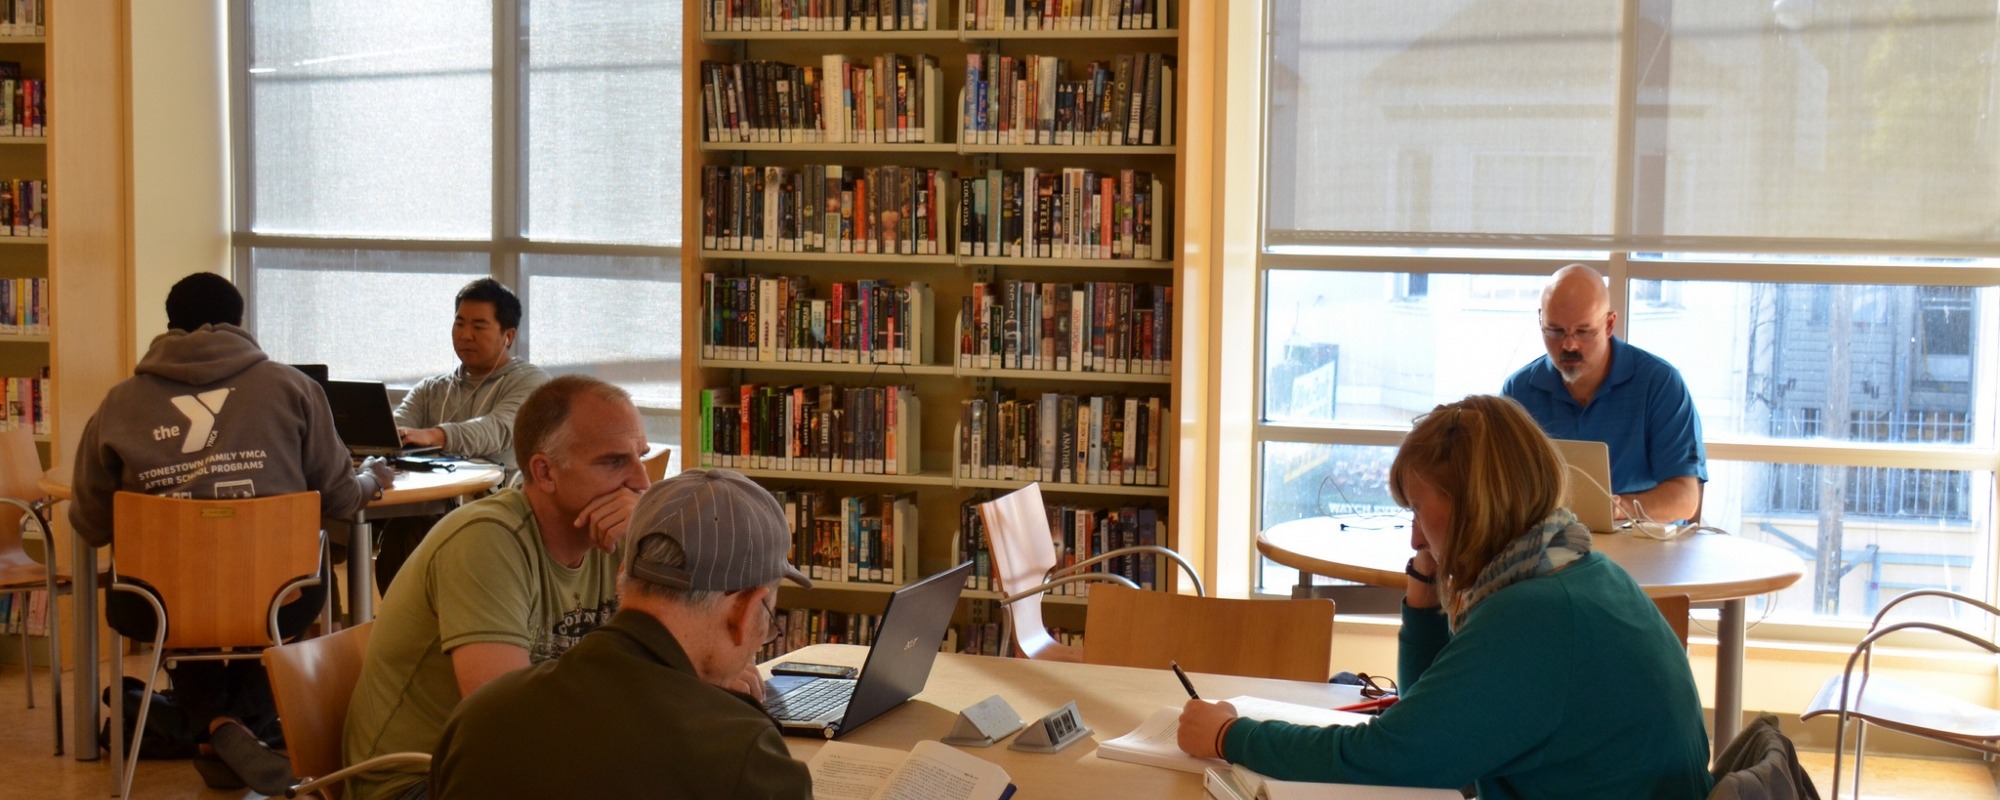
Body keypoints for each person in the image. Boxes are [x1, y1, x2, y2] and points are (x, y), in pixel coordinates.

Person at [1176, 395, 1713, 799]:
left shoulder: (1535, 614)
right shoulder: (1573, 570)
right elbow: (1428, 712)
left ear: (1473, 505)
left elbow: (1393, 754)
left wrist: (1230, 735)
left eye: (1417, 509)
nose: (1413, 534)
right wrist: (1425, 577)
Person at [69, 272, 395, 794]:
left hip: (154, 602)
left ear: (170, 325)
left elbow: (88, 525)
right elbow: (338, 497)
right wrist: (371, 479)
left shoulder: (118, 403)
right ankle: (235, 727)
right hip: (278, 596)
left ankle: (215, 728)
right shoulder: (293, 389)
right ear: (239, 323)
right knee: (291, 592)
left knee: (184, 601)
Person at [343, 374, 648, 800]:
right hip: (420, 782)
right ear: (544, 472)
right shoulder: (485, 540)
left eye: (641, 457)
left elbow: (681, 663)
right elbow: (509, 725)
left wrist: (654, 540)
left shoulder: (619, 537)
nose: (642, 482)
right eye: (614, 461)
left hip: (520, 767)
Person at [429, 468, 814, 799]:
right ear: (745, 612)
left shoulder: (481, 717)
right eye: (769, 615)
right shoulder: (741, 754)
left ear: (622, 580)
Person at [373, 277, 550, 591]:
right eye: (459, 324)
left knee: (411, 529)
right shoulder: (432, 388)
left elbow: (496, 430)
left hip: (502, 512)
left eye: (479, 326)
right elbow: (393, 429)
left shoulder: (529, 382)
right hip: (429, 507)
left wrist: (436, 435)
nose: (465, 335)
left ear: (508, 335)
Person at [1501, 264, 1706, 523]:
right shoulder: (1518, 391)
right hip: (1550, 549)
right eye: (1555, 331)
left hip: (1641, 548)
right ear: (1540, 320)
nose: (1569, 345)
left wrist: (1618, 509)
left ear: (1609, 324)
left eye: (1584, 331)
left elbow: (1685, 499)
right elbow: (1500, 490)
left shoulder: (1660, 384)